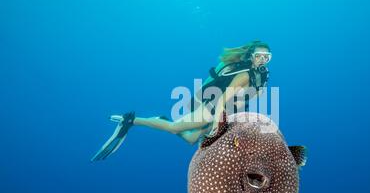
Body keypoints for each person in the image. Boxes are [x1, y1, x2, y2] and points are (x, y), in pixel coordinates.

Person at [91, 40, 272, 161]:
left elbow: (249, 98)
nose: (263, 60)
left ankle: (160, 120)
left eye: (267, 57)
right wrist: (218, 125)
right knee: (173, 128)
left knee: (191, 139)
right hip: (213, 110)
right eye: (259, 56)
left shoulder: (262, 75)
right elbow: (223, 99)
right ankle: (130, 120)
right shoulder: (244, 75)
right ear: (251, 56)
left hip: (226, 111)